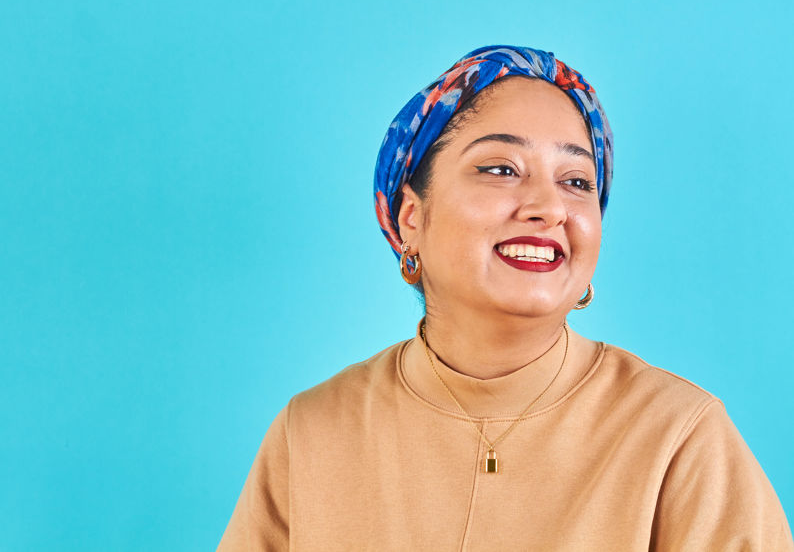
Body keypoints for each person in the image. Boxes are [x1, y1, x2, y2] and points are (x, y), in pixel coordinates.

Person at [218, 46, 793, 551]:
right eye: (500, 168)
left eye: (576, 181)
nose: (548, 207)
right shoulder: (314, 431)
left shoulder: (678, 436)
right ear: (411, 218)